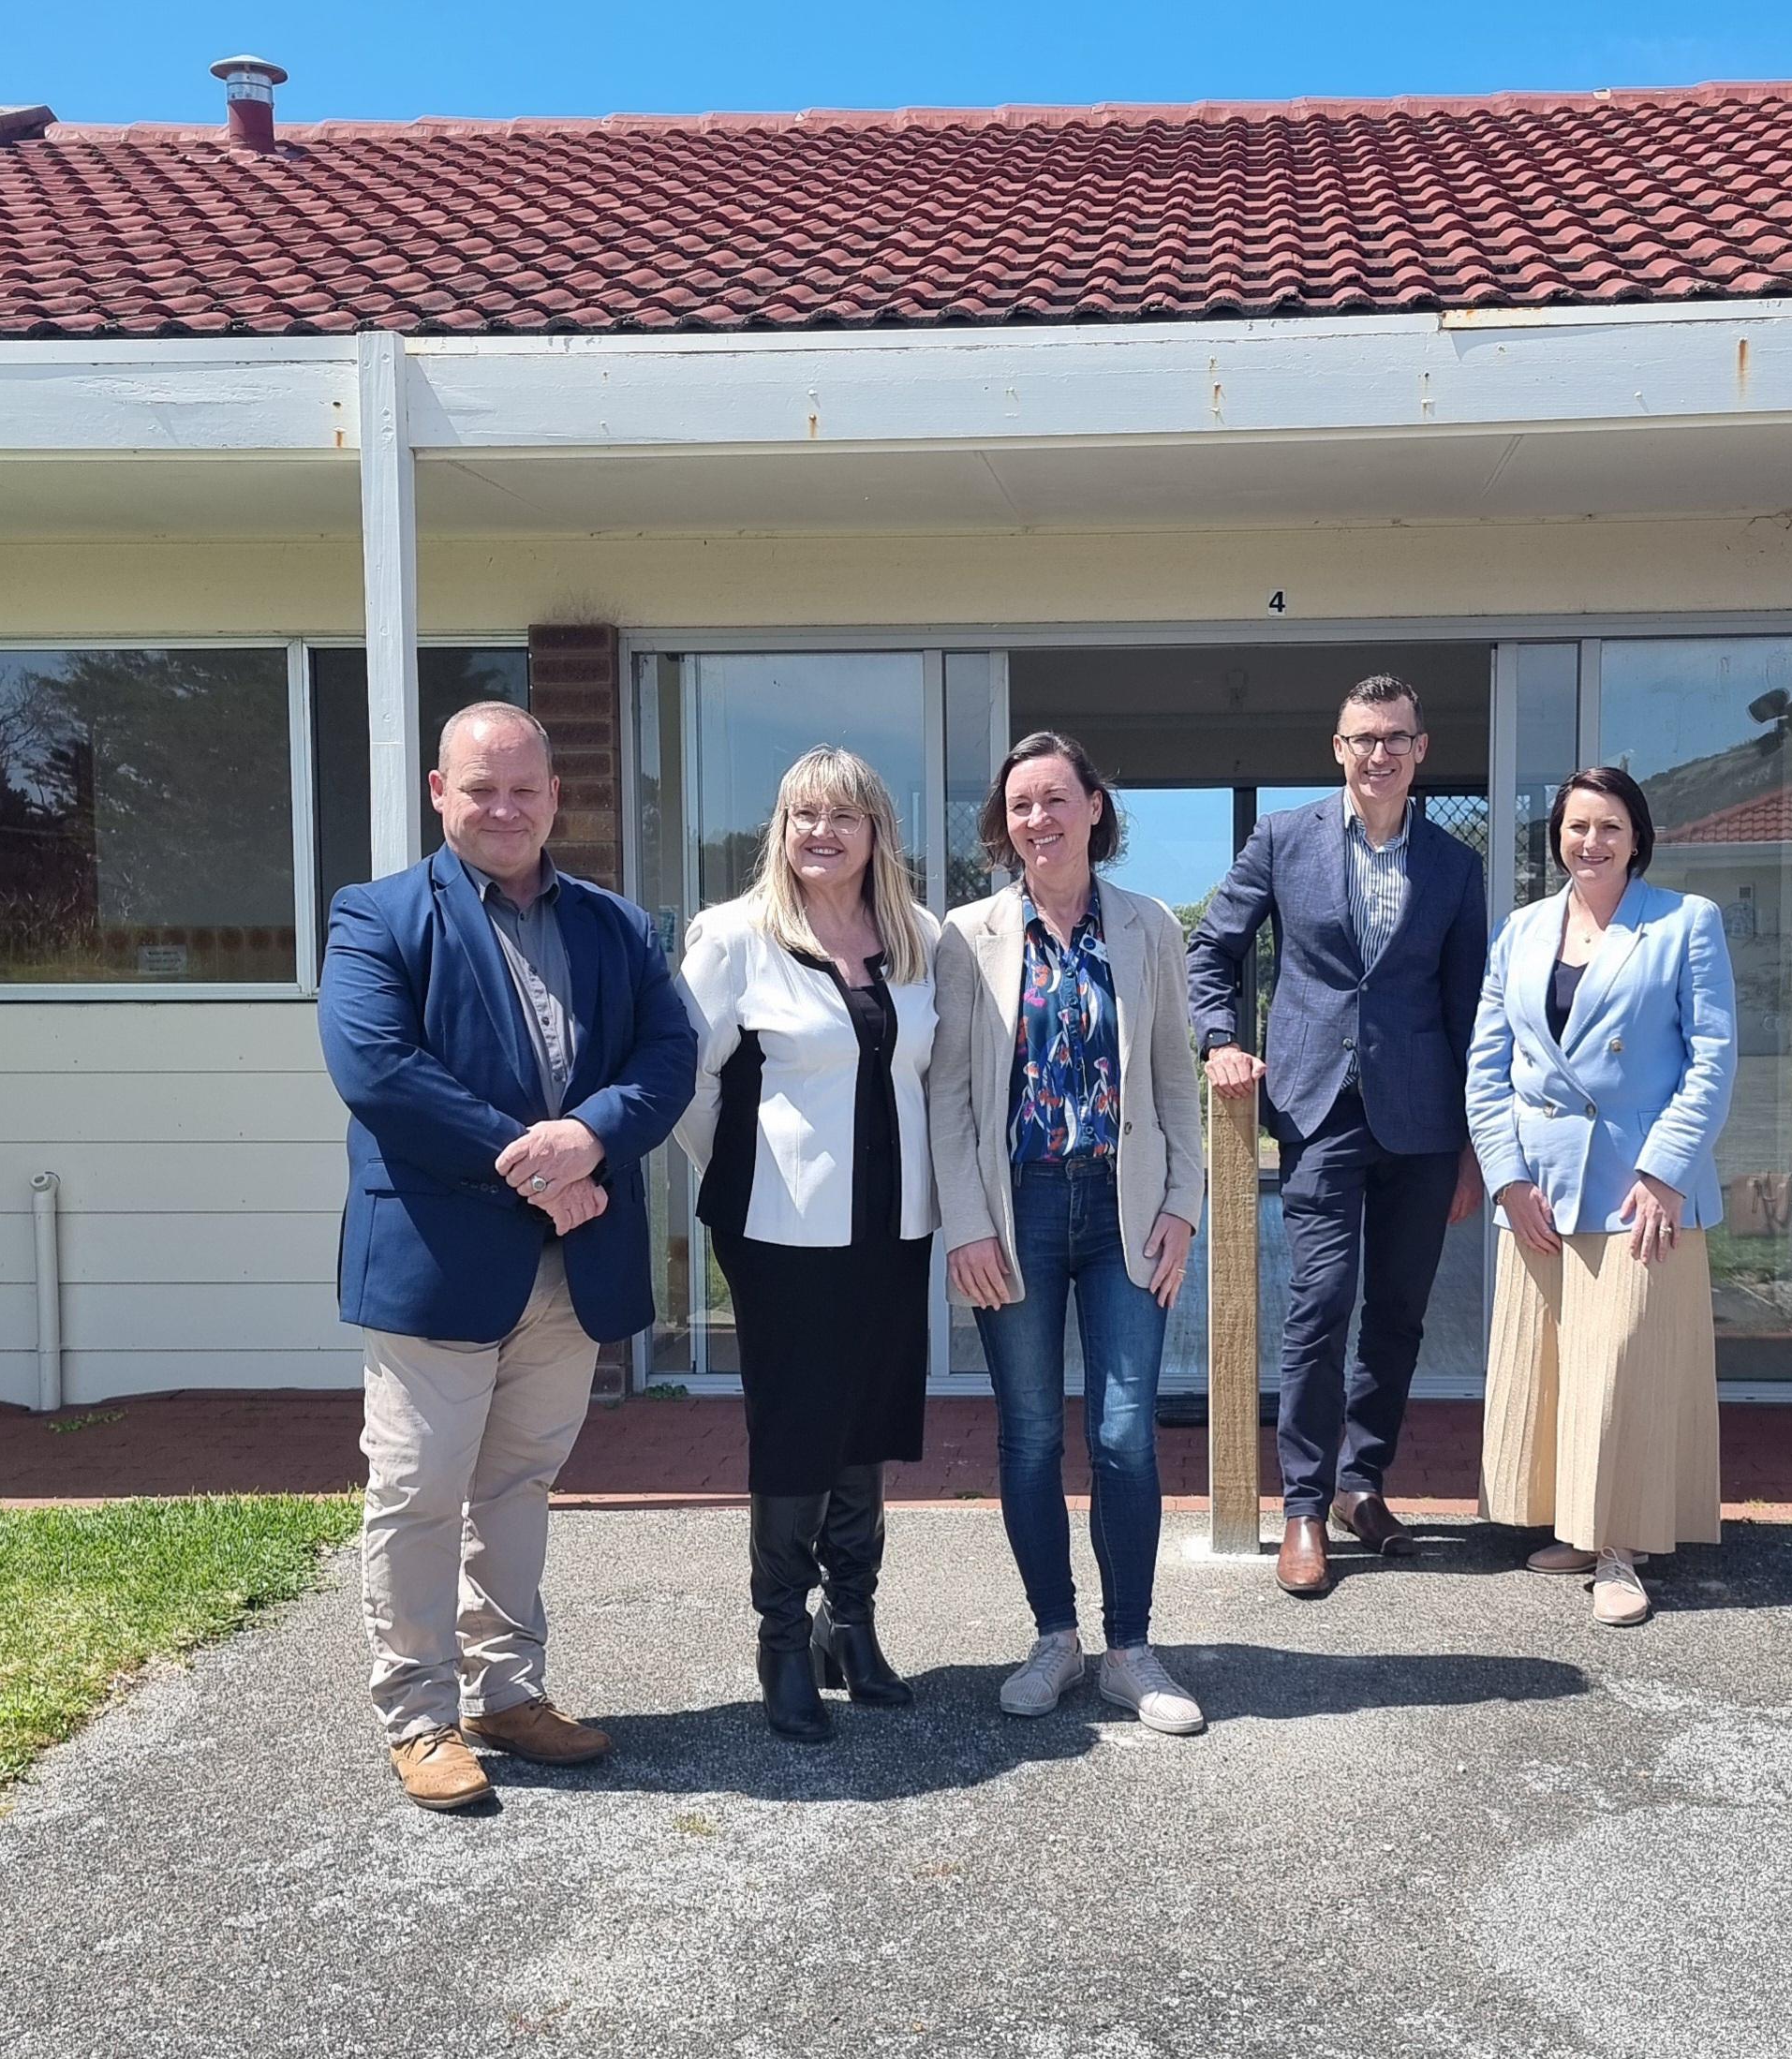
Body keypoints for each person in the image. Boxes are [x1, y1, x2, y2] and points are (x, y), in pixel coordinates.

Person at [319, 702, 696, 1812]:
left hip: (569, 1263)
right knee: (420, 1489)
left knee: (519, 1484)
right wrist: (535, 1160)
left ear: (553, 795)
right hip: (440, 1257)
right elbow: (379, 1068)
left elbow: (669, 1052)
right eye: (480, 786)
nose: (504, 806)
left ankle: (507, 1691)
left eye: (524, 786)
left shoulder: (615, 924)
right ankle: (420, 1715)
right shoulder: (377, 914)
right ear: (440, 791)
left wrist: (593, 1134)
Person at [929, 733, 1208, 1734]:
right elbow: (950, 1095)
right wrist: (964, 1221)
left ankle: (1130, 1647)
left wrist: (1183, 1202)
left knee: (1127, 1432)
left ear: (1095, 805)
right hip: (1020, 1207)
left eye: (1055, 799)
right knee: (1033, 1432)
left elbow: (1175, 1079)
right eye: (1018, 806)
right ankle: (1055, 1637)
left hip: (1124, 1207)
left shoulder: (1149, 927)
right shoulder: (966, 935)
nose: (1036, 819)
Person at [1186, 674, 1488, 1597]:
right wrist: (1220, 1040)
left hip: (1425, 1120)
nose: (1380, 752)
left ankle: (1363, 1483)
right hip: (1318, 1111)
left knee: (1397, 1312)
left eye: (1396, 736)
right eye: (1364, 736)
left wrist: (1476, 1142)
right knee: (1319, 1303)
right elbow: (1211, 949)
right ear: (1338, 746)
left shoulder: (1453, 862)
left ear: (1420, 749)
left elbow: (1470, 1006)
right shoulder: (1283, 839)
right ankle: (1304, 1505)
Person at [674, 748, 942, 1745]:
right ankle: (783, 1641)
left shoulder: (917, 936)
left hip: (892, 1225)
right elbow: (687, 1081)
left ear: (878, 831)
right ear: (778, 830)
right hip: (779, 1233)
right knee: (796, 1430)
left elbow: (928, 1073)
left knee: (867, 1422)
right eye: (801, 815)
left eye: (841, 816)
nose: (819, 832)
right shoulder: (733, 938)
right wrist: (744, 1169)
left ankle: (853, 1625)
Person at [1466, 765, 1736, 1628]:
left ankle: (1620, 1550)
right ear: (1557, 838)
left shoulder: (1686, 923)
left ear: (1637, 835)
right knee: (1560, 1370)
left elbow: (1712, 1059)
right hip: (1541, 1186)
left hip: (1638, 1187)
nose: (1592, 841)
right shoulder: (1520, 930)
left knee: (1625, 1363)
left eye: (1610, 826)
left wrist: (1667, 1172)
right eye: (1577, 826)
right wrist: (1506, 1177)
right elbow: (1488, 1065)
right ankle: (1580, 1529)